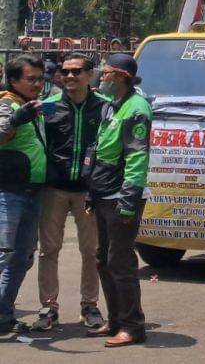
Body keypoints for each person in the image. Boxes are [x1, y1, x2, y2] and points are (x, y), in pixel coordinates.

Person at [32, 53, 106, 332]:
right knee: (48, 250)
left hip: (88, 191)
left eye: (76, 71)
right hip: (54, 189)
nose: (70, 76)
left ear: (90, 74)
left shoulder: (105, 107)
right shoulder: (48, 107)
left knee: (91, 251)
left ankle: (89, 306)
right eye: (65, 72)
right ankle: (48, 307)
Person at [85, 52, 152, 347]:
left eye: (107, 72)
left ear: (122, 77)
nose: (102, 77)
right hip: (103, 192)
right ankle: (114, 321)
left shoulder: (136, 109)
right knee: (104, 260)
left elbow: (137, 157)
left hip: (120, 196)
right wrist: (92, 190)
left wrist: (128, 200)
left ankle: (132, 326)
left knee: (120, 262)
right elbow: (101, 149)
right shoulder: (111, 105)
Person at [0, 54, 47, 335]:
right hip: (8, 193)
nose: (37, 84)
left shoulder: (32, 106)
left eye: (40, 79)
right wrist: (16, 119)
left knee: (22, 257)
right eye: (31, 79)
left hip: (33, 192)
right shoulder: (6, 104)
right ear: (13, 80)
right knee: (3, 254)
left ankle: (3, 315)